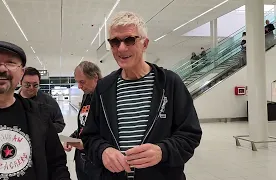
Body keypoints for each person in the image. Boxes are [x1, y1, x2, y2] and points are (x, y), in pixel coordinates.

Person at [81, 11, 202, 180]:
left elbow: (190, 134)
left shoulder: (169, 83)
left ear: (145, 44)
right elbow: (89, 136)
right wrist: (103, 151)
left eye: (130, 40)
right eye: (115, 42)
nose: (121, 48)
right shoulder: (104, 88)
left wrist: (162, 151)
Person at [0, 41, 71, 180]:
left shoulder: (40, 115)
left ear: (21, 72)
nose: (2, 69)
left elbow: (57, 165)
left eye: (11, 63)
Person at [63, 61, 103, 180]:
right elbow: (84, 125)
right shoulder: (87, 95)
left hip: (98, 161)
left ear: (95, 77)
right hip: (82, 160)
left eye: (82, 82)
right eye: (77, 82)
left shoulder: (105, 98)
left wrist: (86, 145)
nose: (79, 86)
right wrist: (72, 138)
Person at [19, 67, 65, 133]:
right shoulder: (12, 100)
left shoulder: (49, 101)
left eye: (35, 85)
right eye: (27, 85)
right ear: (20, 82)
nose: (31, 88)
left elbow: (60, 124)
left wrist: (41, 128)